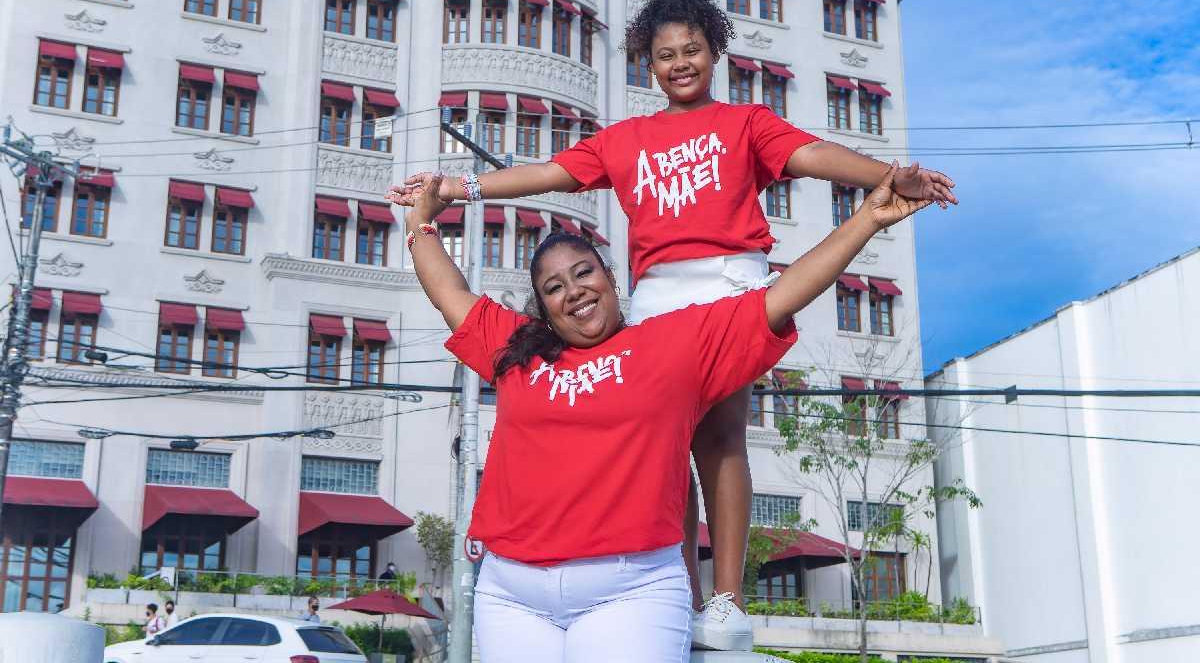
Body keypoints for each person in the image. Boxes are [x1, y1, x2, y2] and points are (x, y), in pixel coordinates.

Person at [389, 0, 957, 650]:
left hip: (729, 284)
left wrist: (886, 177)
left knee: (720, 440)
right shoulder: (626, 139)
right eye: (666, 55)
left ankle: (726, 600)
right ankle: (677, 592)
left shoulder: (746, 123)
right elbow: (549, 172)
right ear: (648, 65)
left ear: (714, 52)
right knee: (660, 449)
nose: (681, 63)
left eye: (693, 50)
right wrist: (456, 187)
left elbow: (813, 156)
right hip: (658, 293)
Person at [390, 164, 929, 662]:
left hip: (629, 591)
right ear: (544, 308)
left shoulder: (674, 345)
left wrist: (868, 218)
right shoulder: (517, 350)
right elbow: (448, 291)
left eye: (583, 273)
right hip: (512, 594)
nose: (574, 292)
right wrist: (421, 220)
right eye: (554, 288)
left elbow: (782, 296)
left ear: (609, 277)